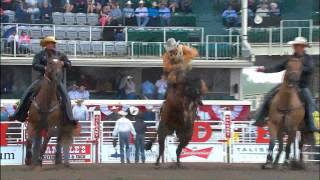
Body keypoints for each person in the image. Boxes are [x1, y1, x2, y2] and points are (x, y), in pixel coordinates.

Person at [255, 37, 319, 132]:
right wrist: (265, 70)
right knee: (269, 96)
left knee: (311, 103)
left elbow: (310, 69)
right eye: (295, 46)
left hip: (302, 86)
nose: (296, 47)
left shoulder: (308, 59)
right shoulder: (290, 59)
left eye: (298, 46)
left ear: (303, 47)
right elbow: (278, 67)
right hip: (287, 84)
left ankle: (311, 125)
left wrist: (298, 69)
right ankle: (260, 118)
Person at [9, 36, 77, 125]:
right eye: (49, 43)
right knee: (28, 92)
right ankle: (18, 114)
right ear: (45, 45)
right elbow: (35, 64)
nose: (51, 45)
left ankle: (70, 118)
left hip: (56, 79)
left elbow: (69, 64)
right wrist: (44, 68)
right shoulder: (40, 55)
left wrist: (63, 63)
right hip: (42, 77)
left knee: (66, 96)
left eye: (52, 43)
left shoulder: (60, 55)